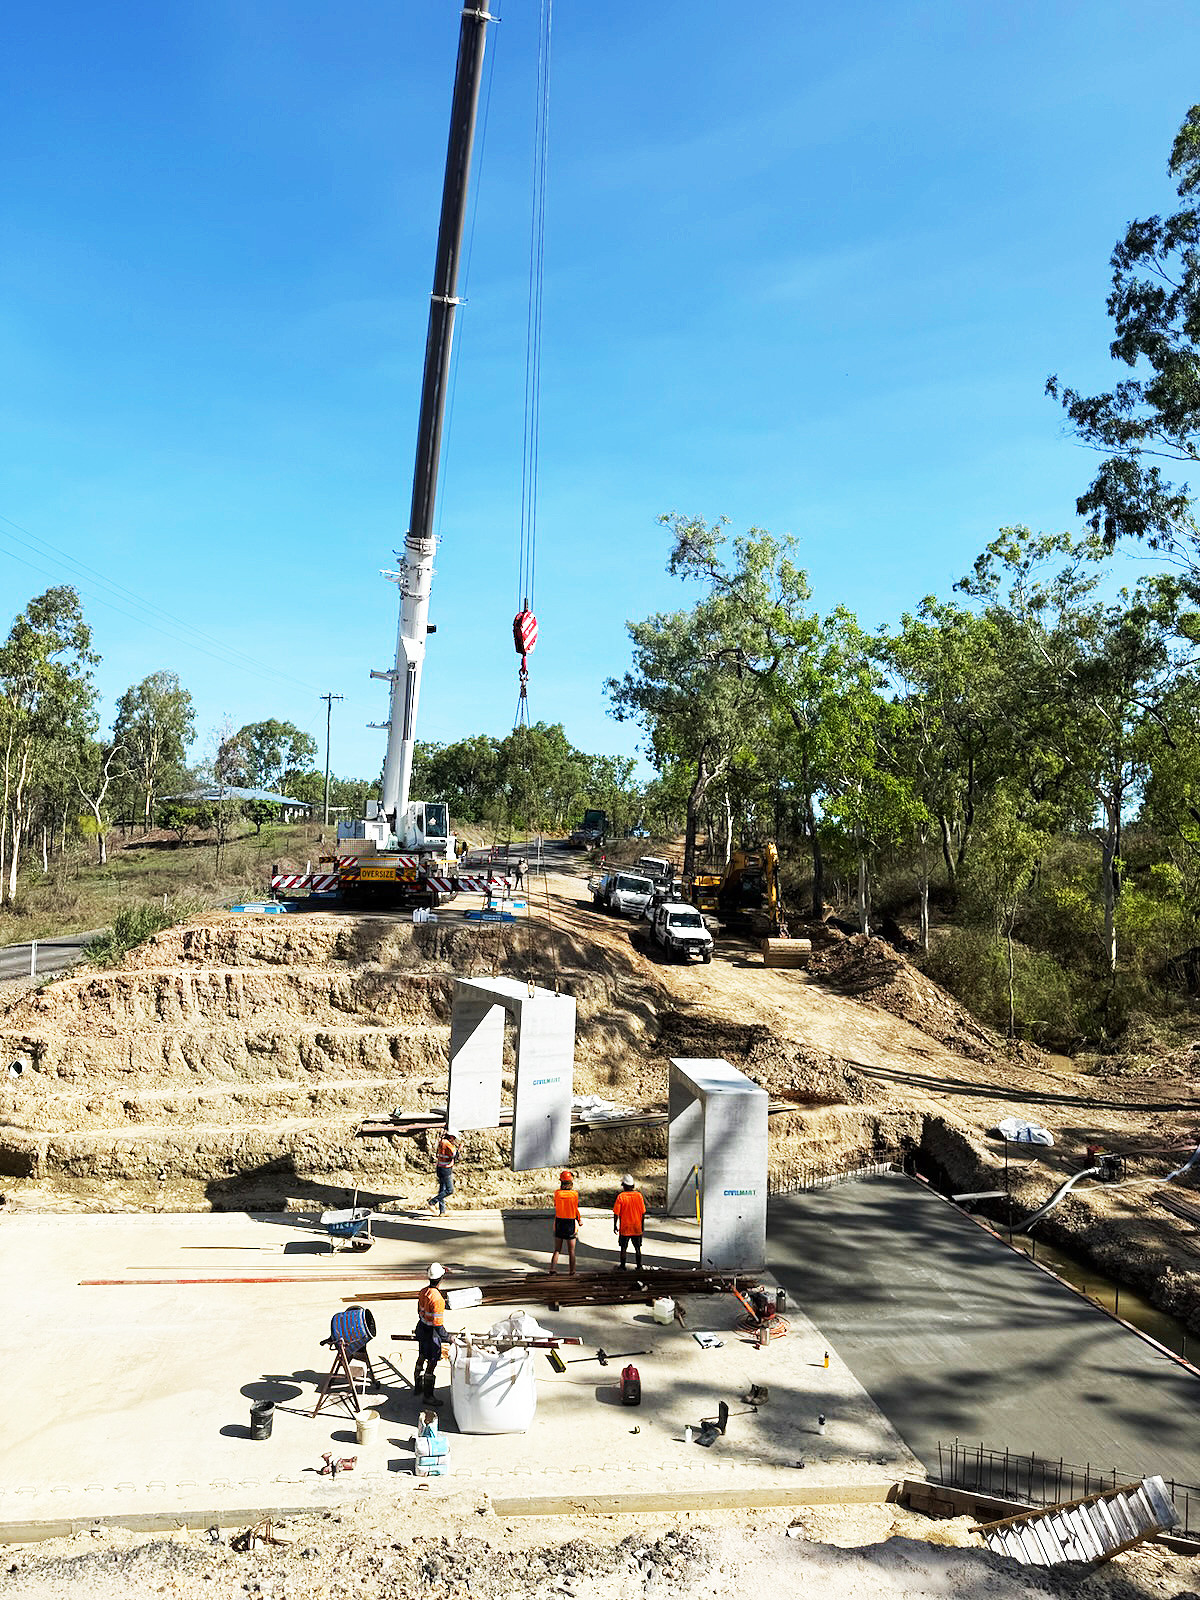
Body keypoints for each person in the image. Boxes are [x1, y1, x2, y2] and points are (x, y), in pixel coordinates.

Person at [413, 1261, 449, 1402]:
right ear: (441, 1279)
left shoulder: (423, 1292)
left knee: (421, 1355)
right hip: (432, 1333)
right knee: (432, 1361)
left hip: (421, 1328)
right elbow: (438, 1325)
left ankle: (418, 1387)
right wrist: (449, 1338)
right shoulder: (438, 1299)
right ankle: (428, 1396)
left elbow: (419, 1311)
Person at [549, 1169, 582, 1276]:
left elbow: (556, 1205)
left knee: (557, 1249)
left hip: (559, 1222)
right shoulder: (575, 1194)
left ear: (561, 1182)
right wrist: (579, 1219)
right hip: (570, 1222)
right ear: (571, 1182)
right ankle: (572, 1271)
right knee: (571, 1251)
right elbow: (575, 1209)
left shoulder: (557, 1193)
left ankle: (552, 1269)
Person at [612, 1174, 646, 1270]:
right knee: (638, 1248)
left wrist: (614, 1225)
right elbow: (643, 1213)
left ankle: (622, 1266)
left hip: (625, 1228)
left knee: (623, 1248)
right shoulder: (639, 1196)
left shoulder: (621, 1197)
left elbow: (616, 1213)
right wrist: (642, 1226)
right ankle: (639, 1266)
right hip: (636, 1227)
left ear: (624, 1185)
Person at [428, 1129, 459, 1215]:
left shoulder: (441, 1142)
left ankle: (442, 1211)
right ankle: (432, 1202)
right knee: (450, 1190)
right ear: (452, 1137)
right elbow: (454, 1156)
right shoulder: (448, 1144)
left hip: (440, 1167)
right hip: (446, 1169)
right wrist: (459, 1149)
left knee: (442, 1189)